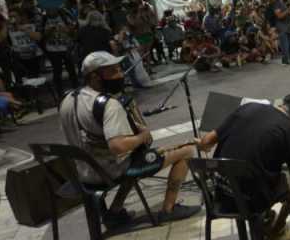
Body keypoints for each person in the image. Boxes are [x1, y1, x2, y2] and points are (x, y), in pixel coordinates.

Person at [59, 51, 200, 226]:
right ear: (94, 76)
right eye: (113, 71)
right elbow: (118, 146)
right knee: (187, 151)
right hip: (109, 172)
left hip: (83, 173)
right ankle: (169, 209)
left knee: (133, 158)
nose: (120, 75)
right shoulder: (109, 104)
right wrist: (142, 137)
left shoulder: (67, 99)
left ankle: (115, 212)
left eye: (120, 69)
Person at [197, 87, 290, 240]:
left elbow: (206, 142)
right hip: (249, 204)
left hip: (219, 195)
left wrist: (203, 145)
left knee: (258, 169)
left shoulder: (248, 108)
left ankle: (268, 219)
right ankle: (276, 229)